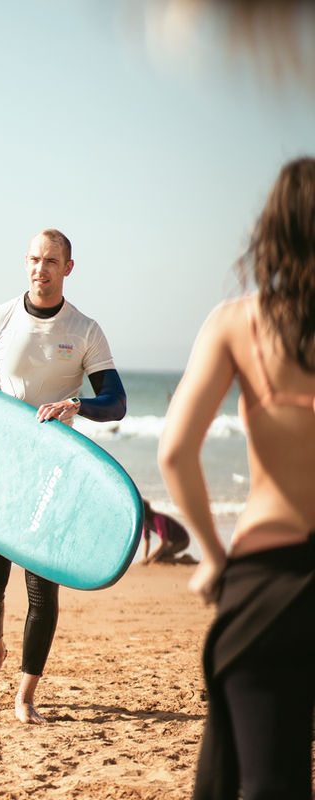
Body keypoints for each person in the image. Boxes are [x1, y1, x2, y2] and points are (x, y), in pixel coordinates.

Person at [158, 157, 315, 800]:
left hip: (267, 581)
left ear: (271, 232)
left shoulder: (238, 322)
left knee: (266, 784)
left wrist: (215, 558)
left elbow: (173, 451)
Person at [0, 228, 126, 724]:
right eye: (33, 259)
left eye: (51, 261)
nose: (40, 269)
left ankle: (25, 694)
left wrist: (77, 403)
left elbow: (117, 402)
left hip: (51, 474)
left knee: (42, 591)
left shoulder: (85, 330)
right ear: (25, 263)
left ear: (68, 267)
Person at [141, 499, 190, 564]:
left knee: (158, 559)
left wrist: (150, 557)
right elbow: (146, 541)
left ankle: (186, 560)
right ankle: (173, 557)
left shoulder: (157, 519)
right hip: (172, 542)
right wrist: (144, 557)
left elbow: (164, 543)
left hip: (182, 540)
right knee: (158, 557)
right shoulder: (145, 522)